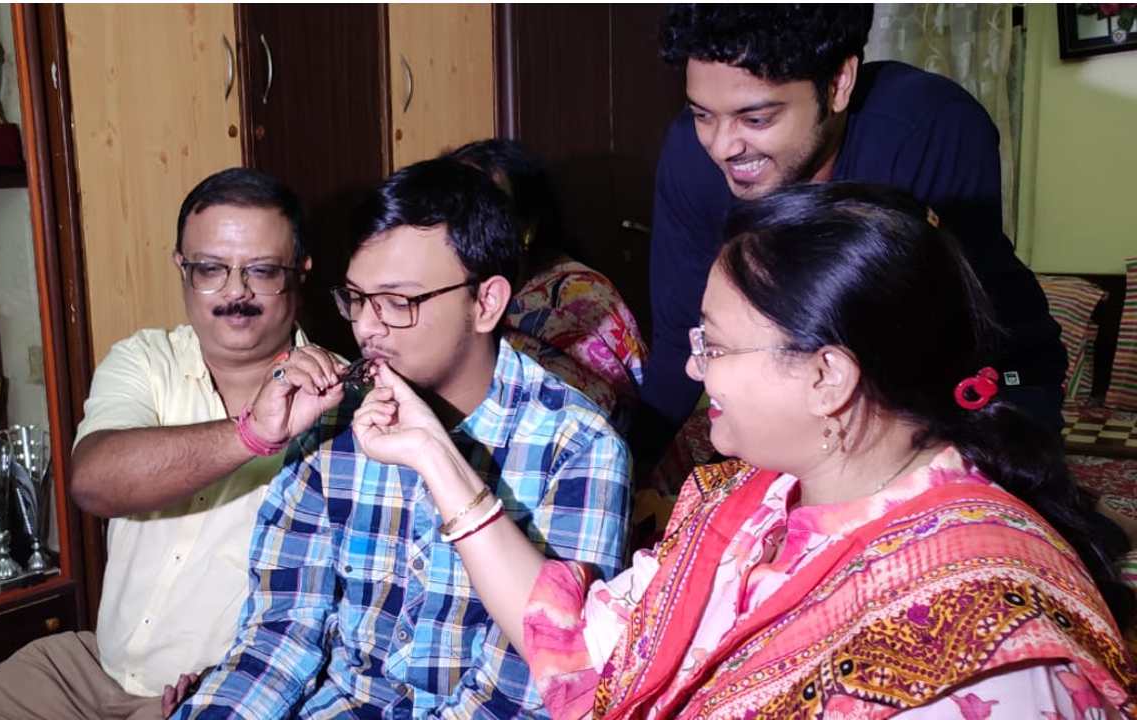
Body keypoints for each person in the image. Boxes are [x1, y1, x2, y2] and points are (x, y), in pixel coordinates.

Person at [351, 182, 1137, 717]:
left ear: (828, 376)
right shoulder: (750, 503)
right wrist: (432, 454)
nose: (692, 367)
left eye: (716, 345)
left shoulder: (983, 627)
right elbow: (590, 648)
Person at [175, 158, 631, 718]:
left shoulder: (578, 447)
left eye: (398, 302)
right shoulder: (333, 423)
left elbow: (522, 694)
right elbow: (277, 638)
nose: (366, 327)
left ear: (485, 302)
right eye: (357, 299)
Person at [0, 168, 314, 720]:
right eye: (210, 268)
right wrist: (251, 435)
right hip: (88, 664)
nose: (235, 292)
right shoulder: (144, 359)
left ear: (301, 272)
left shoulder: (337, 403)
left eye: (262, 270)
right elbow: (94, 480)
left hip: (211, 690)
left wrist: (235, 685)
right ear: (180, 267)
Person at [638, 5, 1067, 470]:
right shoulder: (689, 156)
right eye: (703, 114)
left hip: (978, 377)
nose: (723, 147)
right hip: (823, 393)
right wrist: (630, 461)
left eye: (756, 119)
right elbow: (683, 333)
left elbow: (930, 344)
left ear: (839, 83)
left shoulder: (930, 128)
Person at [449, 139, 648, 433]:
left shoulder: (576, 296)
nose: (462, 223)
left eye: (486, 208)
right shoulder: (436, 290)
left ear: (527, 224)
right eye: (452, 204)